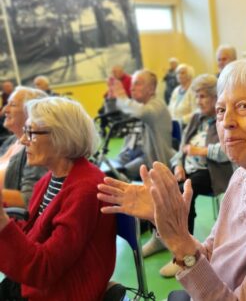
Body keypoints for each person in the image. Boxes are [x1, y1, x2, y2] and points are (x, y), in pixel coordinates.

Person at [97, 55, 246, 300]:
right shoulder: (243, 175)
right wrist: (167, 222)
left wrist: (179, 241)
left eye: (243, 106)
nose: (226, 122)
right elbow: (213, 255)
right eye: (221, 110)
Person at [0, 97, 116, 300]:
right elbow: (31, 233)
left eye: (31, 132)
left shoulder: (86, 189)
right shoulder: (50, 178)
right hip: (43, 281)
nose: (23, 140)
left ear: (62, 136)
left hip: (64, 291)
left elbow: (44, 269)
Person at [149, 74, 234, 278]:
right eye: (196, 97)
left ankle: (183, 254)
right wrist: (178, 165)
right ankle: (160, 237)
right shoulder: (196, 118)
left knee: (183, 193)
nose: (198, 101)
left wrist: (200, 151)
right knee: (158, 187)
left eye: (203, 96)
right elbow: (181, 148)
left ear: (215, 97)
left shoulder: (223, 117)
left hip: (211, 172)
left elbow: (227, 152)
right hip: (188, 169)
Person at [110, 69, 174, 180]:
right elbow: (113, 118)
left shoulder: (158, 104)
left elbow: (143, 112)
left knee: (118, 175)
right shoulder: (134, 106)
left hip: (148, 157)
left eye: (137, 83)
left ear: (151, 89)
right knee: (106, 169)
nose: (131, 88)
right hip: (128, 153)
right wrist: (111, 99)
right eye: (131, 84)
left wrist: (123, 99)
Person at [0, 86, 48, 208]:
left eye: (13, 105)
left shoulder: (36, 147)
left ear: (31, 111)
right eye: (7, 104)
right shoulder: (10, 141)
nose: (5, 109)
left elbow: (30, 198)